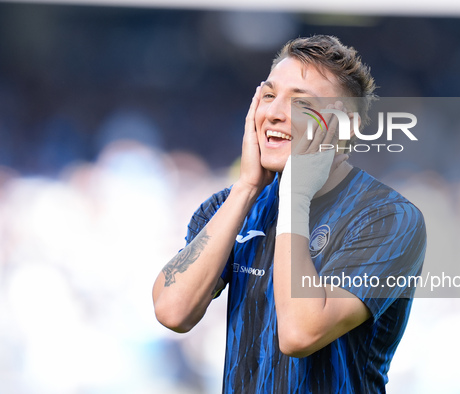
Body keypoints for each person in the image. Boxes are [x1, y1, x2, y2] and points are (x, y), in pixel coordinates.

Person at [152, 35, 426, 393]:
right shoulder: (230, 206)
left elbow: (299, 333)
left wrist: (296, 196)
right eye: (268, 96)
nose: (275, 113)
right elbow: (173, 311)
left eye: (301, 102)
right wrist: (247, 188)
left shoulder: (389, 218)